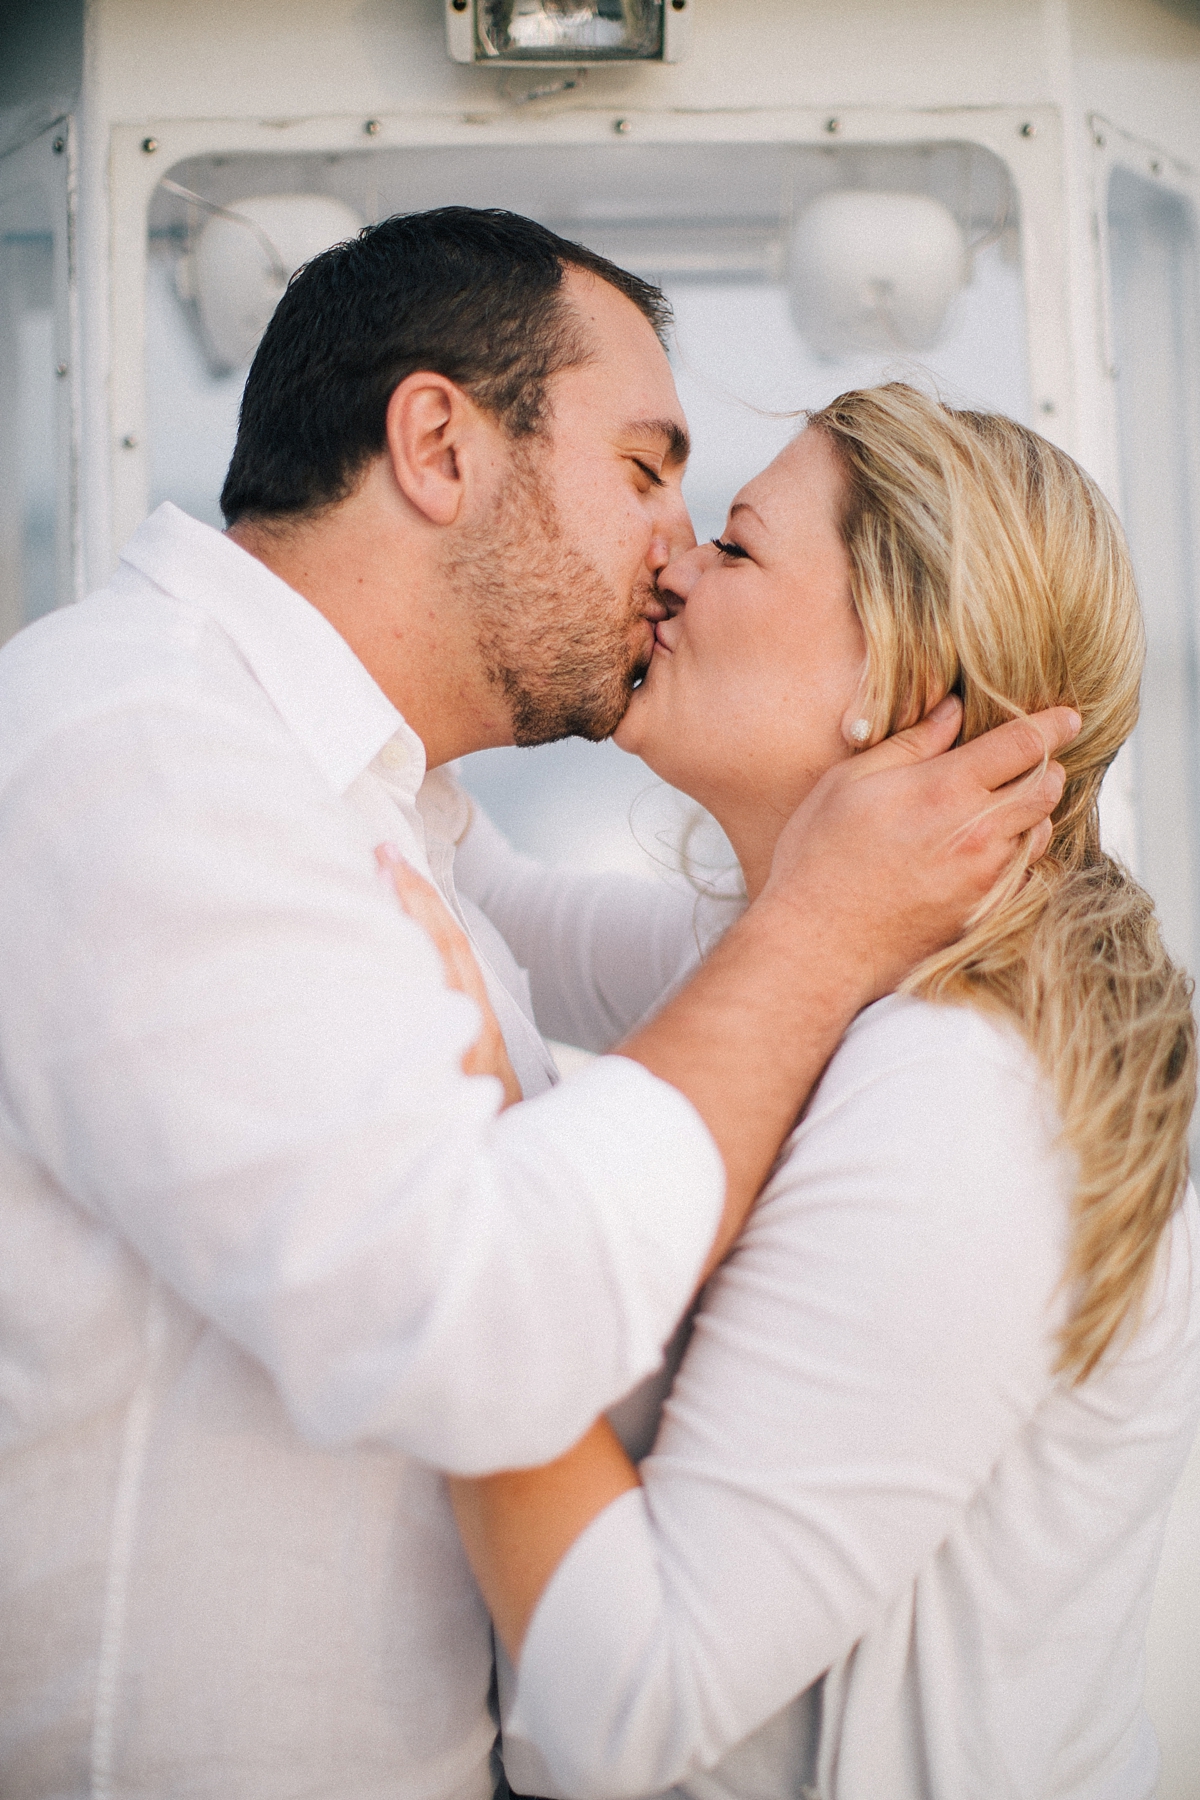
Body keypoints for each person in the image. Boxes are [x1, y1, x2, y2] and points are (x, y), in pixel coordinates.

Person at [0, 208, 1073, 1798]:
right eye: (644, 470)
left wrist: (868, 887)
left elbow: (649, 951)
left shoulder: (365, 799)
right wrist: (828, 921)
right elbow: (480, 1327)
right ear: (438, 444)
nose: (673, 548)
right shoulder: (147, 753)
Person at [444, 386, 1200, 1800]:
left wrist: (458, 1215)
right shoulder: (820, 954)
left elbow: (628, 1707)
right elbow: (488, 901)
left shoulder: (966, 1093)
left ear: (898, 686)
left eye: (734, 545)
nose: (672, 565)